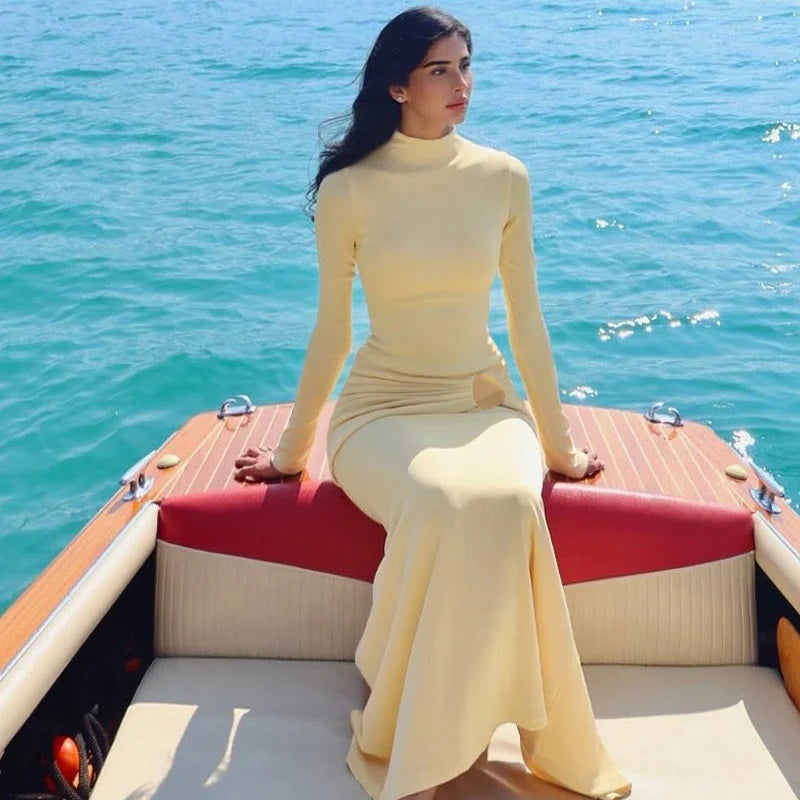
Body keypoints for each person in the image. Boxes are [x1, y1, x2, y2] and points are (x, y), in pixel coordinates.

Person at [233, 6, 632, 800]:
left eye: (466, 64)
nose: (462, 84)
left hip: (483, 404)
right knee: (447, 499)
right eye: (440, 69)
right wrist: (290, 455)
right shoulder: (350, 190)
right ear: (397, 85)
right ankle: (409, 729)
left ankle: (463, 723)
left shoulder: (503, 177)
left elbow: (526, 322)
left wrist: (560, 450)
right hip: (379, 412)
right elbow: (332, 334)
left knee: (511, 498)